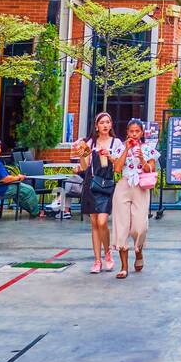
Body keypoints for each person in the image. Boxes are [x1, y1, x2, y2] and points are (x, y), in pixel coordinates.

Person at [76, 112, 122, 274]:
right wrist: (81, 153)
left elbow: (120, 165)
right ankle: (97, 260)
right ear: (96, 126)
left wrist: (110, 156)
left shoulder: (116, 143)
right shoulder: (90, 142)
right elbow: (84, 166)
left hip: (107, 184)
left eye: (107, 122)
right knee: (94, 223)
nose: (105, 125)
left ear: (111, 125)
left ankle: (107, 253)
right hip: (92, 183)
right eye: (101, 122)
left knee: (102, 221)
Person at [111, 118, 156, 279]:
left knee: (140, 226)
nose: (134, 134)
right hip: (124, 185)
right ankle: (124, 266)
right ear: (127, 132)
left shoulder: (148, 148)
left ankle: (139, 251)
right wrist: (126, 149)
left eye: (137, 131)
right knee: (121, 225)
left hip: (141, 186)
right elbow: (116, 168)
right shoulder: (121, 147)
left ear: (142, 133)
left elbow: (151, 168)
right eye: (131, 131)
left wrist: (142, 158)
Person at [0, 139, 44, 218]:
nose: (0, 150)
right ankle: (36, 213)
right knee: (29, 190)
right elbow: (5, 179)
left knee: (20, 191)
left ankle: (31, 210)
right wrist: (18, 177)